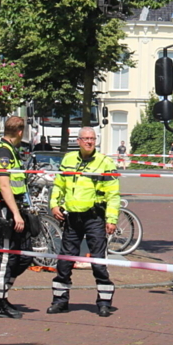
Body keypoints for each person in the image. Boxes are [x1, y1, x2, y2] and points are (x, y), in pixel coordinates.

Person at [48, 126, 120, 317]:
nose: (89, 142)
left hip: (94, 217)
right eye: (86, 139)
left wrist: (111, 219)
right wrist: (54, 205)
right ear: (78, 141)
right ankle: (60, 301)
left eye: (92, 139)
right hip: (72, 218)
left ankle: (104, 302)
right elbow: (59, 185)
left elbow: (113, 194)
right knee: (64, 262)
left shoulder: (105, 162)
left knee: (98, 262)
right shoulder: (69, 159)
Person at [0, 116, 32, 319]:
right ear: (20, 132)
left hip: (16, 207)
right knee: (5, 256)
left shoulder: (12, 151)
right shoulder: (3, 152)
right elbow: (4, 185)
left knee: (26, 254)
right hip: (5, 209)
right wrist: (15, 213)